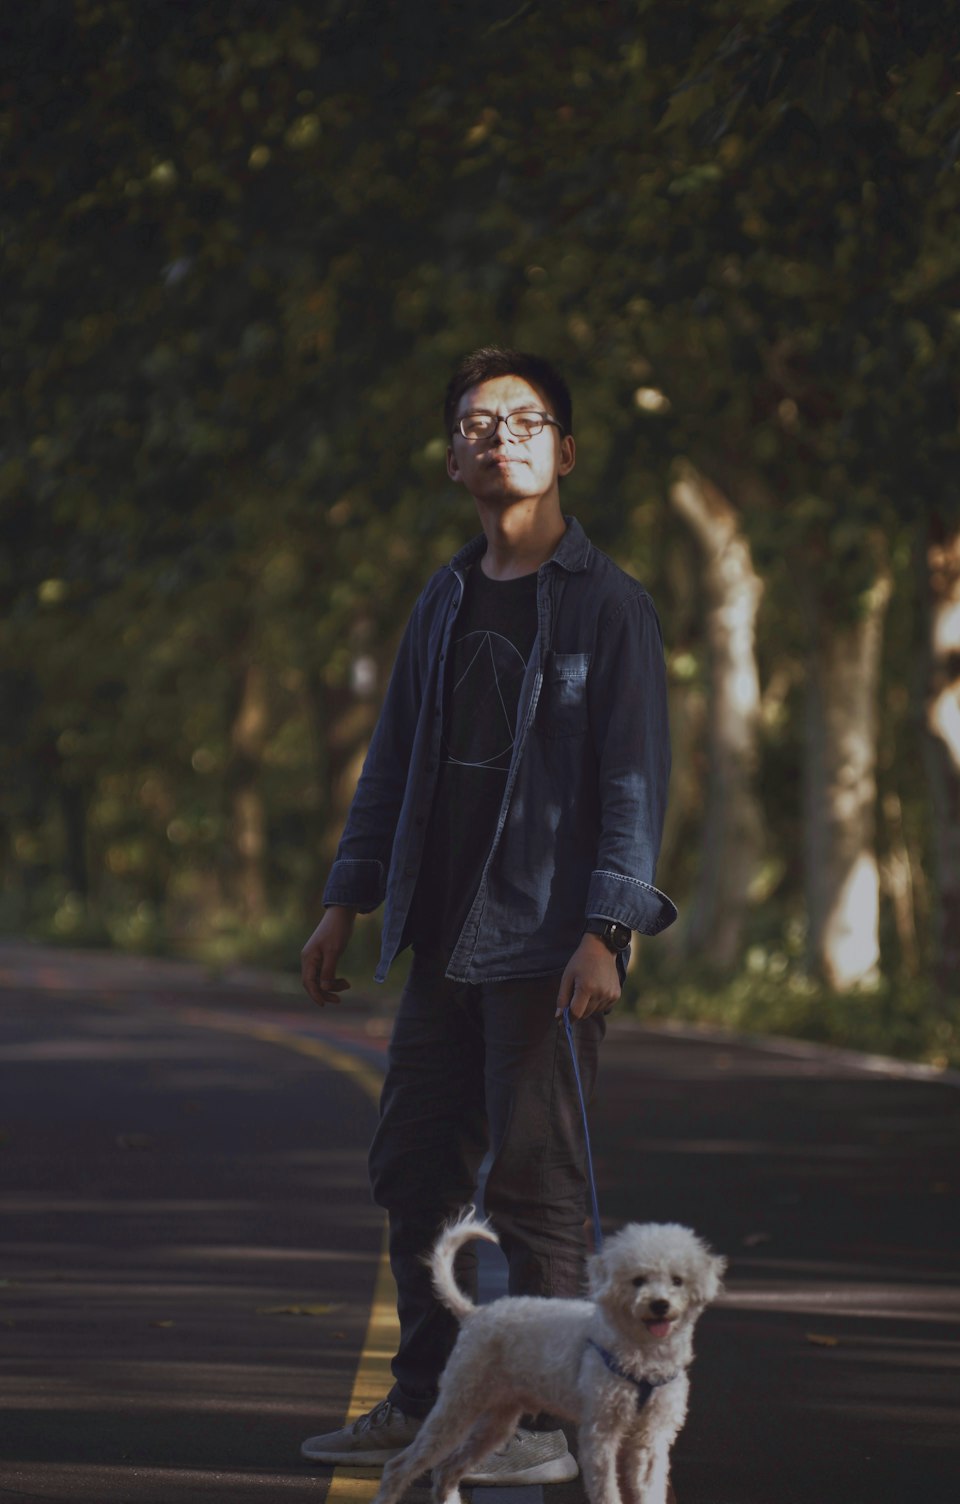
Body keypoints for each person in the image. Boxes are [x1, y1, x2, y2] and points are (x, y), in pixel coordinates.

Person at [299, 347, 676, 1483]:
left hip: (546, 943)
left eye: (522, 419)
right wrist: (344, 897)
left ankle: (562, 1428)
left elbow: (633, 779)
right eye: (473, 421)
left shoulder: (609, 606)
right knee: (416, 1165)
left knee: (534, 1183)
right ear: (453, 455)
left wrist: (608, 928)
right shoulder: (444, 596)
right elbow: (393, 761)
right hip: (442, 938)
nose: (495, 435)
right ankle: (429, 1402)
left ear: (563, 450)